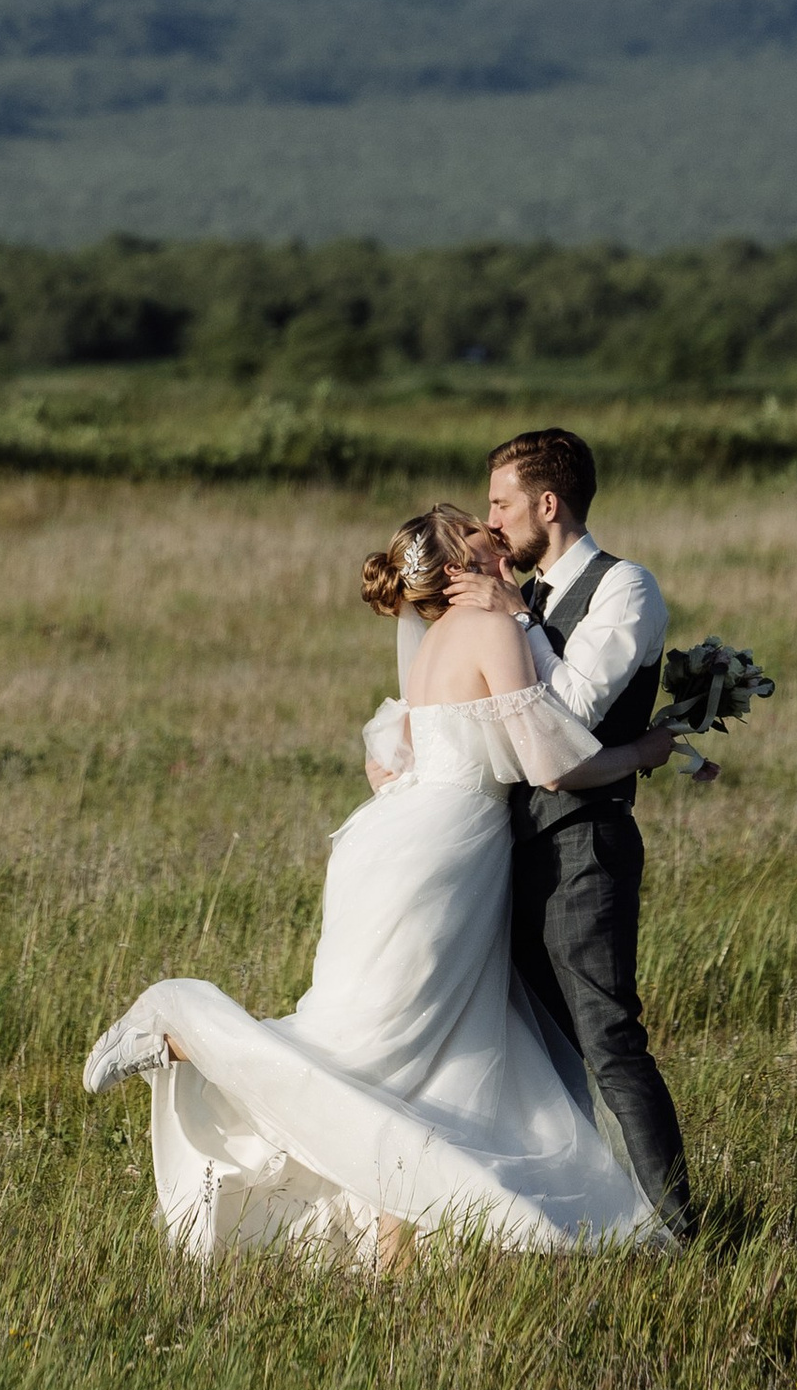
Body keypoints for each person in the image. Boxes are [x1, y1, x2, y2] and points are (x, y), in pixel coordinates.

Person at [82, 503, 692, 1266]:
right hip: (444, 853)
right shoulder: (490, 629)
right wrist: (646, 749)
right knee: (375, 1043)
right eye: (478, 529)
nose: (494, 532)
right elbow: (547, 762)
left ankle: (394, 1245)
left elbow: (417, 747)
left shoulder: (437, 636)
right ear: (458, 564)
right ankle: (185, 1036)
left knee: (432, 1051)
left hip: (402, 841)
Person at [450, 427, 695, 1241]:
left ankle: (676, 1225)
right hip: (505, 849)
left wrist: (516, 619)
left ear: (547, 505)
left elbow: (572, 720)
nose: (491, 522)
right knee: (537, 1046)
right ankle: (587, 1218)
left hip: (584, 843)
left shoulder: (627, 589)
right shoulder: (524, 596)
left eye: (501, 503)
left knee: (608, 1037)